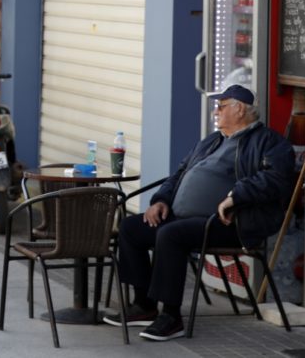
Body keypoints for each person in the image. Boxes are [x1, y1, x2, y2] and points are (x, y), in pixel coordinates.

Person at [107, 84, 294, 341]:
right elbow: (181, 172)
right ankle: (144, 305)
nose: (215, 112)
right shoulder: (212, 141)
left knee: (171, 235)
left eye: (221, 106)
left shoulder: (269, 142)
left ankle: (171, 317)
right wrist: (161, 199)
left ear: (239, 110)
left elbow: (276, 180)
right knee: (131, 228)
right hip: (184, 217)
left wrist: (235, 196)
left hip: (231, 223)